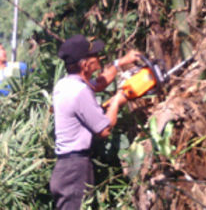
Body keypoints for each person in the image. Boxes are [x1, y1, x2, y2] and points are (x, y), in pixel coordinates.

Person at [49, 34, 140, 210]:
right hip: (75, 171)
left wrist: (120, 63)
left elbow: (98, 84)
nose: (99, 58)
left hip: (65, 169)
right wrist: (117, 101)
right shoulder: (80, 91)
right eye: (95, 56)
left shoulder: (64, 85)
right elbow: (104, 130)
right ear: (85, 65)